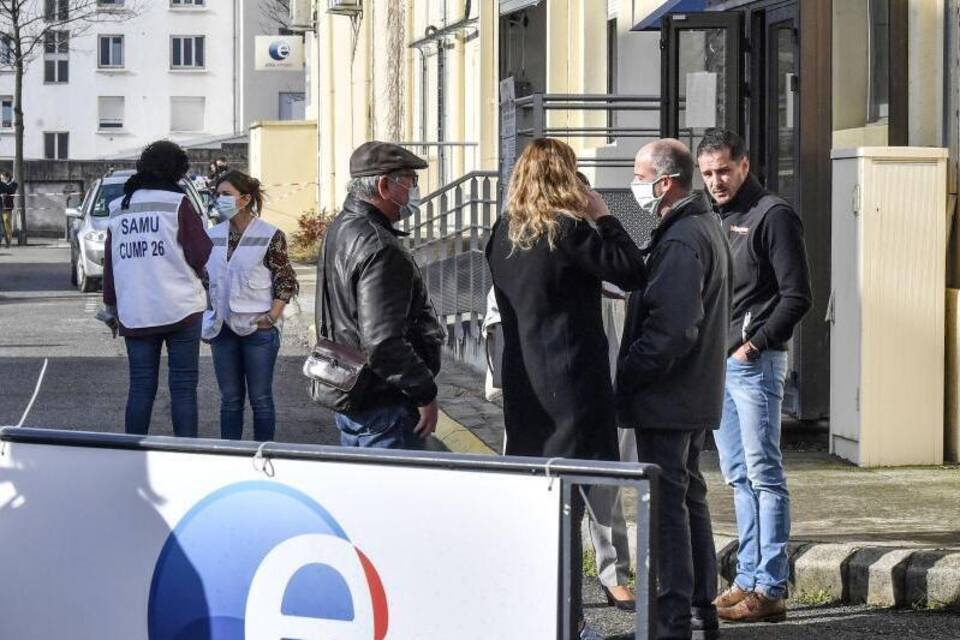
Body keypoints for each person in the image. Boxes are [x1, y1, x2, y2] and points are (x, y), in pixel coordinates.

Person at [486, 138, 646, 640]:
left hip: (526, 390)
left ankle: (536, 614)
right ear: (565, 177)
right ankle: (568, 621)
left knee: (540, 511)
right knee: (569, 511)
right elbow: (630, 269)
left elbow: (538, 294)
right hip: (573, 388)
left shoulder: (502, 234)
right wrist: (603, 215)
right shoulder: (570, 229)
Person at [615, 139, 732, 640]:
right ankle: (699, 613)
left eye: (640, 176)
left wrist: (630, 373)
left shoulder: (683, 237)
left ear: (665, 183)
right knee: (688, 500)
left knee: (667, 510)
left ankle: (673, 620)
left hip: (668, 396)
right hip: (691, 393)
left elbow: (675, 328)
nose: (635, 185)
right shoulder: (698, 225)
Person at [696, 129, 812, 623]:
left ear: (744, 165)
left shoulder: (773, 215)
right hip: (719, 366)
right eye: (707, 174)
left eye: (724, 170)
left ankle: (771, 586)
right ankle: (746, 577)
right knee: (738, 476)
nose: (717, 181)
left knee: (765, 475)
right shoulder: (713, 215)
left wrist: (753, 345)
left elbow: (796, 296)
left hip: (754, 365)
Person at [316, 141, 444, 450]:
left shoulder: (342, 227)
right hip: (384, 403)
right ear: (385, 185)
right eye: (411, 182)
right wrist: (424, 392)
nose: (415, 192)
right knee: (393, 496)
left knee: (365, 493)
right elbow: (384, 342)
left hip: (354, 391)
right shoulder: (380, 246)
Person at [102, 140, 212, 437]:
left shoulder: (117, 208)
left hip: (135, 311)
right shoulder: (177, 203)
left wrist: (112, 306)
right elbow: (201, 251)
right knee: (183, 387)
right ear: (175, 171)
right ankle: (187, 455)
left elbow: (110, 265)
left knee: (140, 387)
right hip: (181, 308)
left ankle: (133, 454)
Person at [203, 170, 299, 442]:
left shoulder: (270, 235)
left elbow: (285, 279)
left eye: (225, 195)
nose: (218, 200)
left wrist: (272, 316)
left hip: (259, 330)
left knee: (261, 399)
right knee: (230, 400)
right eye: (217, 195)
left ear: (244, 199)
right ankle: (231, 457)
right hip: (223, 330)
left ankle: (263, 453)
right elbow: (205, 279)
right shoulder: (211, 235)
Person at [0, 169, 16, 247]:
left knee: (6, 222)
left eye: (3, 178)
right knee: (2, 224)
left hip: (7, 206)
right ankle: (5, 240)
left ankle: (8, 240)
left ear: (7, 177)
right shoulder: (2, 184)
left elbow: (12, 190)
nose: (2, 179)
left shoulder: (12, 184)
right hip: (2, 206)